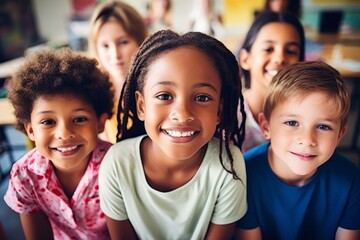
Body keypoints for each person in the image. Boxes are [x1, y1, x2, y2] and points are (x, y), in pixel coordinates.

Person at [98, 30, 247, 239]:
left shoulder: (228, 165)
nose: (183, 114)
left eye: (202, 98)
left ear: (219, 112)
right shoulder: (117, 164)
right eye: (164, 96)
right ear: (142, 106)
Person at [236, 61, 360, 239]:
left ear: (340, 134)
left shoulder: (352, 181)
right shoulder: (244, 177)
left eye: (323, 127)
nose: (308, 140)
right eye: (292, 123)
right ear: (266, 127)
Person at [3, 48, 114, 239]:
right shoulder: (25, 175)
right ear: (30, 129)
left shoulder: (116, 166)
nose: (64, 133)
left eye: (79, 119)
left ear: (101, 123)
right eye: (48, 122)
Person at [238, 11, 305, 152]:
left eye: (291, 51)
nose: (279, 58)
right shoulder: (227, 115)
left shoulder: (306, 116)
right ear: (245, 59)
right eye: (268, 49)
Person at [88, 1, 148, 143]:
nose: (115, 54)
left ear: (141, 41)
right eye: (105, 45)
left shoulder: (156, 87)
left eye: (123, 42)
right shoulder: (95, 95)